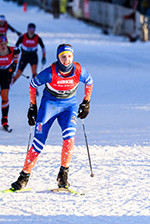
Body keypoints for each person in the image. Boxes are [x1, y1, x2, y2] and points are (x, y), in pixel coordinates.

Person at [9, 44, 93, 191]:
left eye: (69, 56)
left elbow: (89, 82)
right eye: (63, 56)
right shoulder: (49, 73)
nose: (66, 60)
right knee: (38, 142)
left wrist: (86, 102)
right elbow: (32, 84)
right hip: (49, 106)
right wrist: (32, 106)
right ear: (58, 58)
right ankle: (24, 177)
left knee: (69, 138)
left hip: (69, 107)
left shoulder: (79, 70)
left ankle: (63, 175)